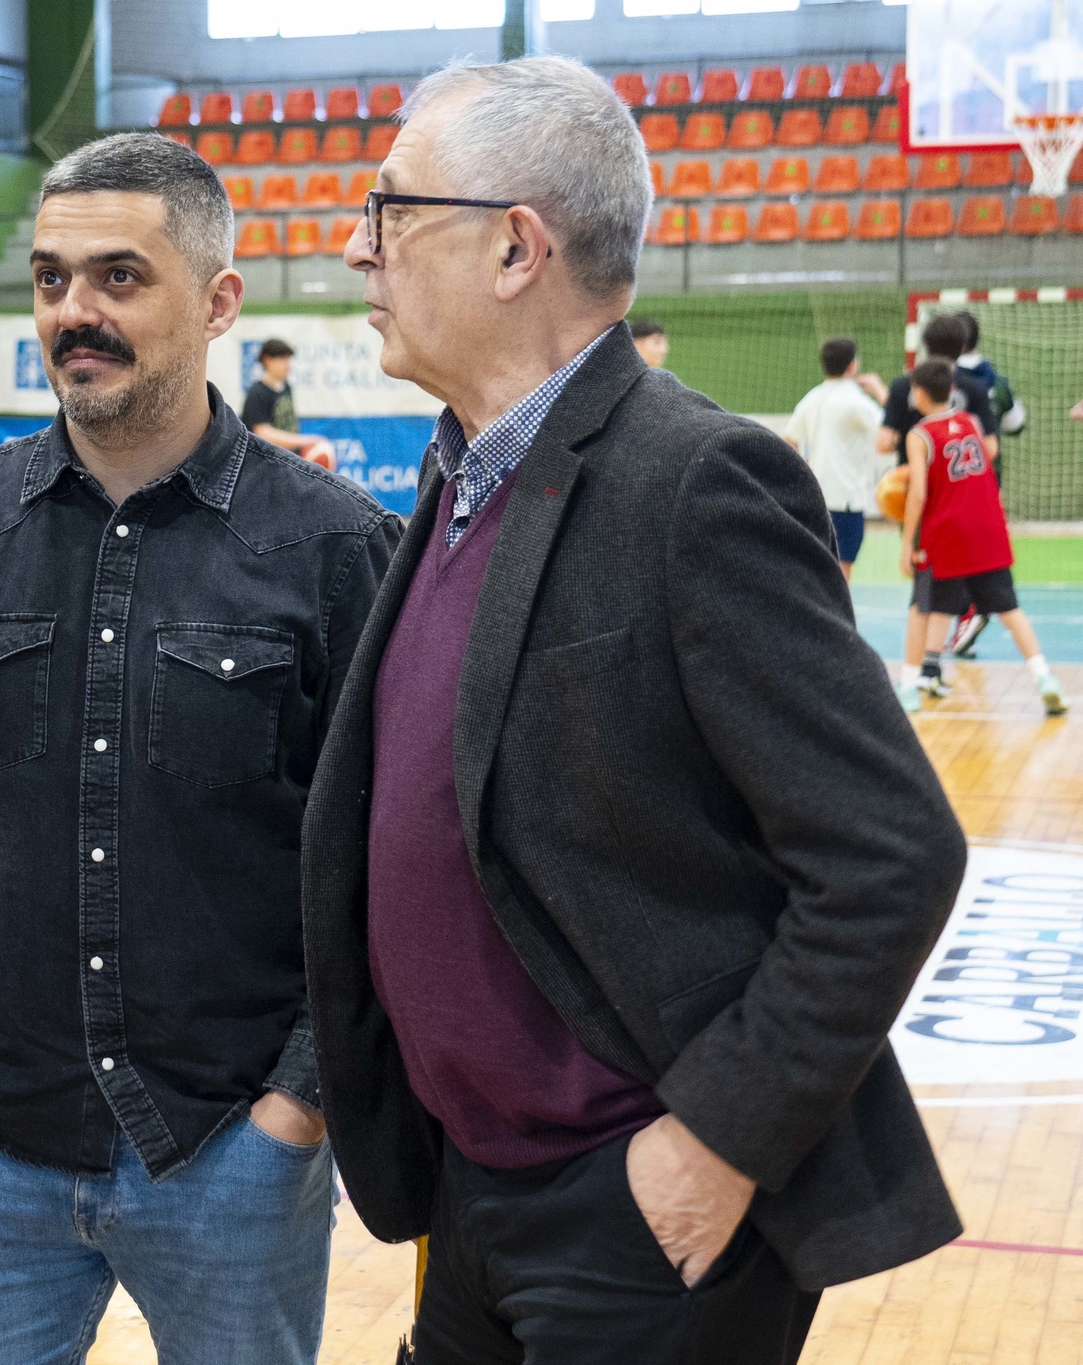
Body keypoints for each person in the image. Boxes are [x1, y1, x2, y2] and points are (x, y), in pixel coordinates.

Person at [320, 55, 964, 1363]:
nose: (353, 246)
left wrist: (715, 1141)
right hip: (473, 1185)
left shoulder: (695, 482)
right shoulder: (461, 476)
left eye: (388, 209)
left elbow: (891, 855)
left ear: (515, 248)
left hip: (639, 1210)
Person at [0, 131, 399, 1364]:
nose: (72, 311)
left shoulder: (335, 545)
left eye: (118, 278)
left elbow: (376, 868)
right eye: (50, 278)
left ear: (218, 302)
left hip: (234, 1151)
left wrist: (298, 1103)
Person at [896, 358, 1066, 717]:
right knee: (1010, 609)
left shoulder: (919, 434)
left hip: (946, 533)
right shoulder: (970, 423)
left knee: (921, 608)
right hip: (986, 527)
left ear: (919, 393)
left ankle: (909, 686)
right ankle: (1044, 677)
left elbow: (918, 494)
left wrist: (907, 543)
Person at [784, 336, 887, 580]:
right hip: (845, 498)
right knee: (841, 571)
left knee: (815, 568)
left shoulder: (811, 398)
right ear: (852, 365)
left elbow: (788, 440)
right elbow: (888, 434)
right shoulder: (856, 401)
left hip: (816, 497)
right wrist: (879, 390)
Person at [878, 314, 998, 467]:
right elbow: (990, 449)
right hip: (957, 479)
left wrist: (910, 448)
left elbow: (884, 443)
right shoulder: (976, 388)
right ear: (962, 347)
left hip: (914, 474)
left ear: (926, 344)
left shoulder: (902, 385)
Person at [241, 336, 320, 455]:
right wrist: (303, 441)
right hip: (267, 459)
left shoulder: (286, 387)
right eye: (283, 360)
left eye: (289, 360)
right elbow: (262, 432)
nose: (288, 365)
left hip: (288, 456)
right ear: (267, 360)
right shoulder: (257, 393)